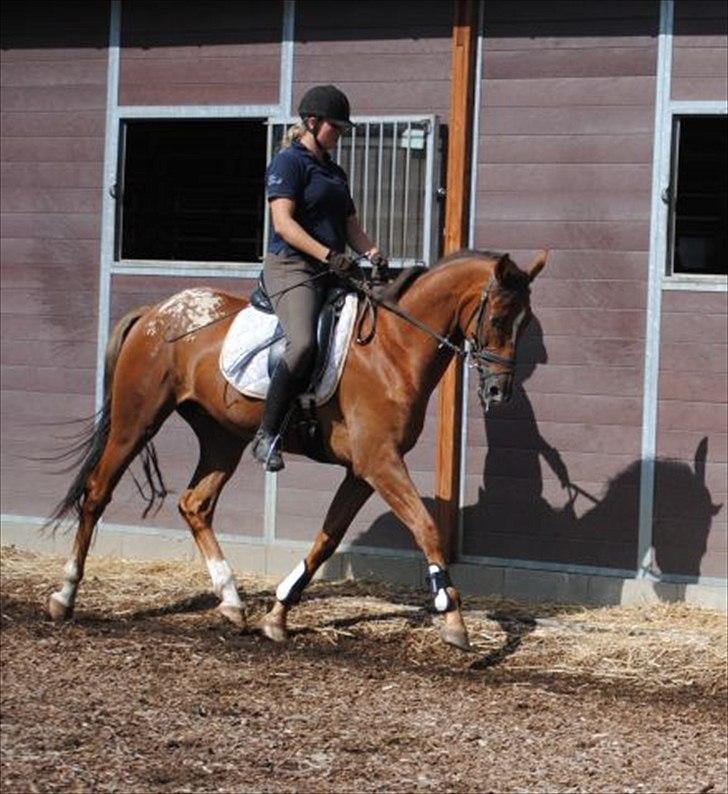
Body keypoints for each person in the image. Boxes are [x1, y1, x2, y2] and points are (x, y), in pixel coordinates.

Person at [251, 84, 390, 472]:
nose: (340, 135)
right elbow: (284, 223)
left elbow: (351, 226)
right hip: (292, 267)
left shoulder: (334, 171)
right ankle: (267, 434)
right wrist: (329, 255)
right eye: (336, 127)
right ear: (312, 123)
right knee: (302, 345)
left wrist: (373, 253)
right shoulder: (288, 164)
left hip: (331, 269)